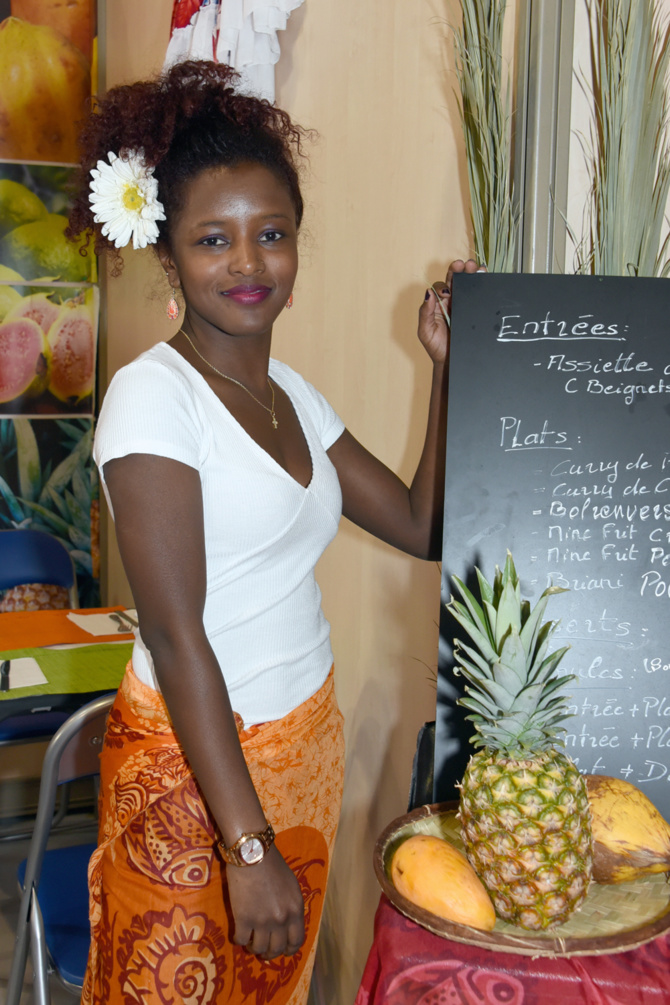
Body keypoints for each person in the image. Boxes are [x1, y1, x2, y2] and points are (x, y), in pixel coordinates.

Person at [68, 59, 480, 1005]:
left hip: (303, 748)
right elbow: (177, 636)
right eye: (214, 240)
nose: (247, 264)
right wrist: (244, 844)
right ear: (169, 256)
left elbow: (421, 524)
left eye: (272, 235)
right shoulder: (153, 398)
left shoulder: (292, 395)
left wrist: (444, 368)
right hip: (193, 778)